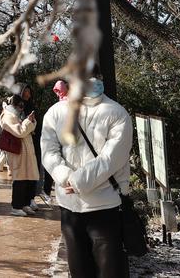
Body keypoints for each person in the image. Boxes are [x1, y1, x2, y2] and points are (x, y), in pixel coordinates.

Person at [41, 76, 132, 276]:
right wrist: (65, 176)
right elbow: (48, 150)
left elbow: (113, 158)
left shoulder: (116, 112)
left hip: (104, 205)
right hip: (71, 206)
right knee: (81, 270)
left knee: (108, 271)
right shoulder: (56, 112)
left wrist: (76, 181)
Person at [0, 94, 38, 216]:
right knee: (19, 179)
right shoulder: (7, 116)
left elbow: (27, 129)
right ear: (13, 105)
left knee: (27, 179)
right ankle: (16, 207)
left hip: (25, 152)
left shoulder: (16, 115)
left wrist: (31, 121)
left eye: (22, 106)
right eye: (19, 106)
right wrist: (28, 121)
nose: (22, 108)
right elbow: (20, 132)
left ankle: (25, 204)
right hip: (17, 153)